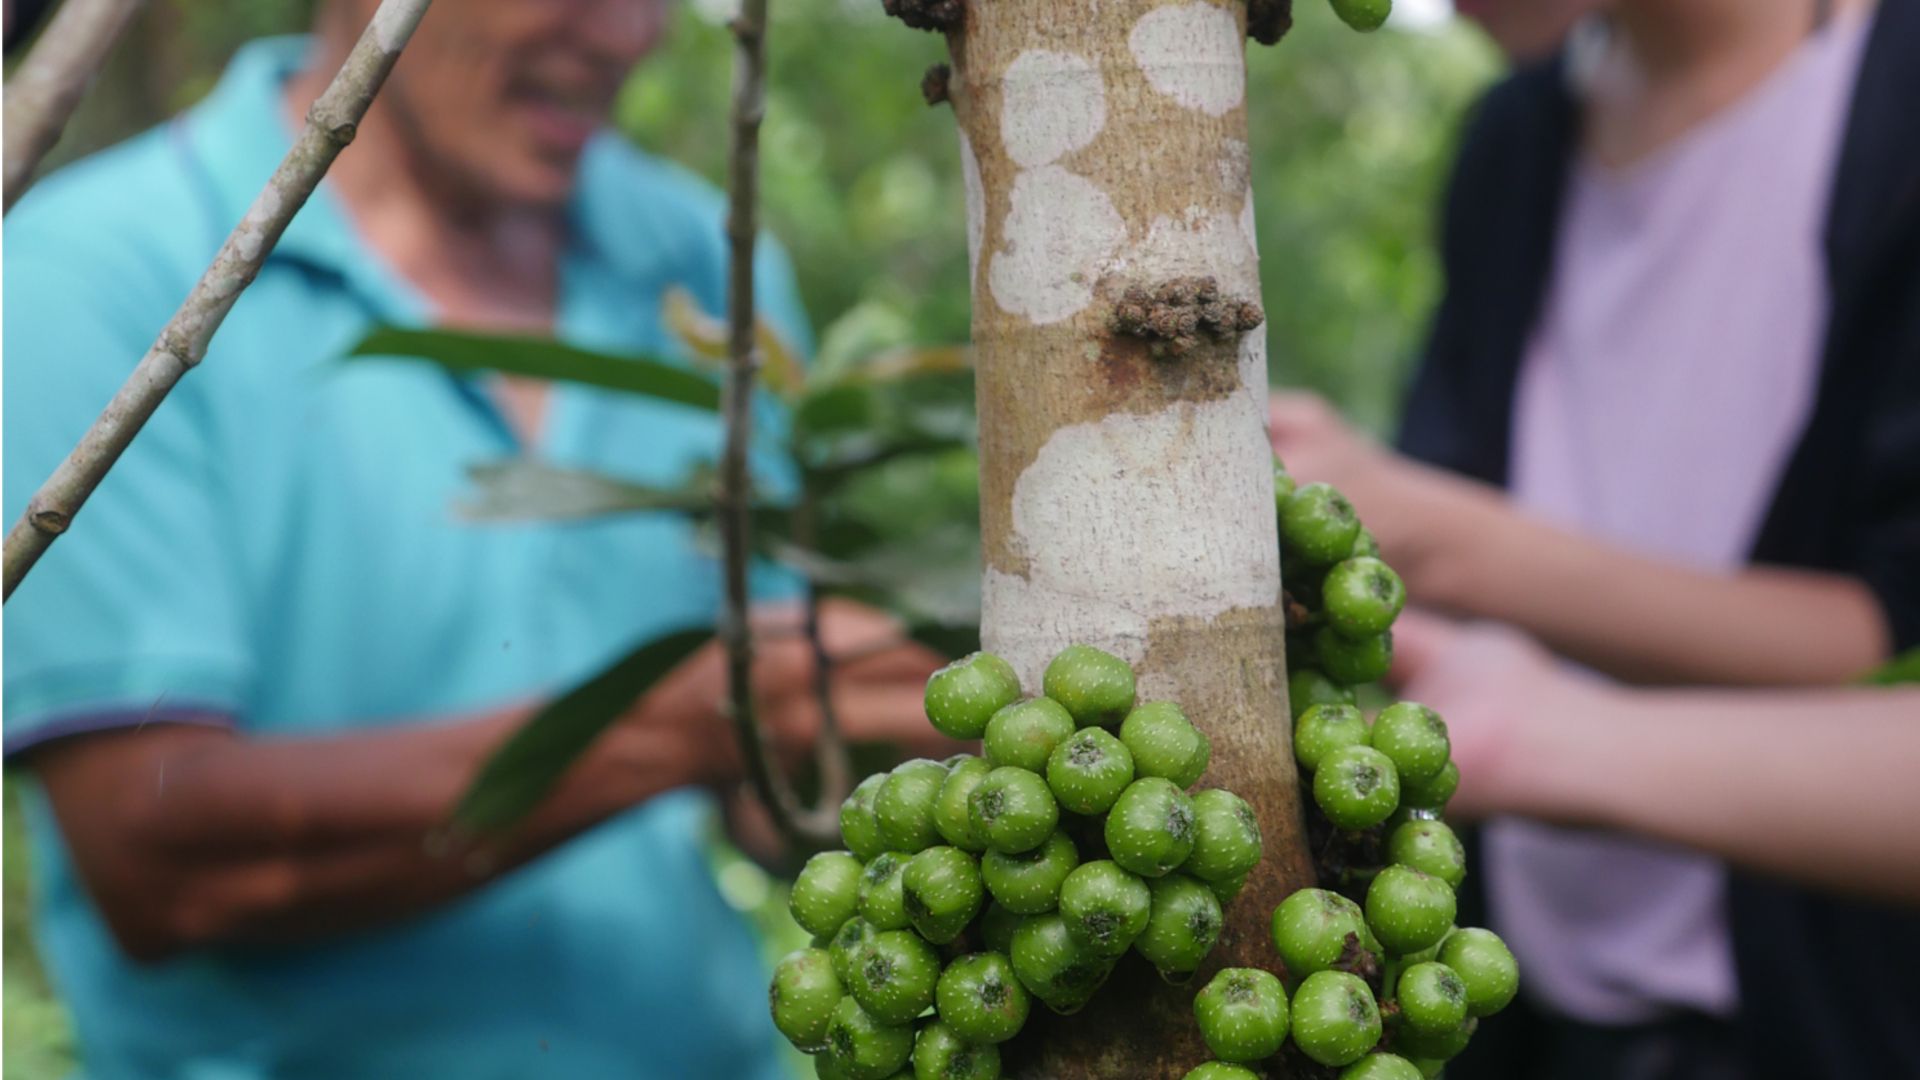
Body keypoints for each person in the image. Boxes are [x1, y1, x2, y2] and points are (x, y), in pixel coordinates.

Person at [2, 2, 943, 1077]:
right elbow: (157, 857)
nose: (628, 34)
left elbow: (774, 790)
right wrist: (687, 717)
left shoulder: (699, 260)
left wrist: (892, 741)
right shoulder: (92, 277)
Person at [1270, 0, 1920, 1077]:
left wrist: (1446, 539)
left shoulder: (1889, 104)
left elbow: (1884, 638)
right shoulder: (1514, 143)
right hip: (1536, 1016)